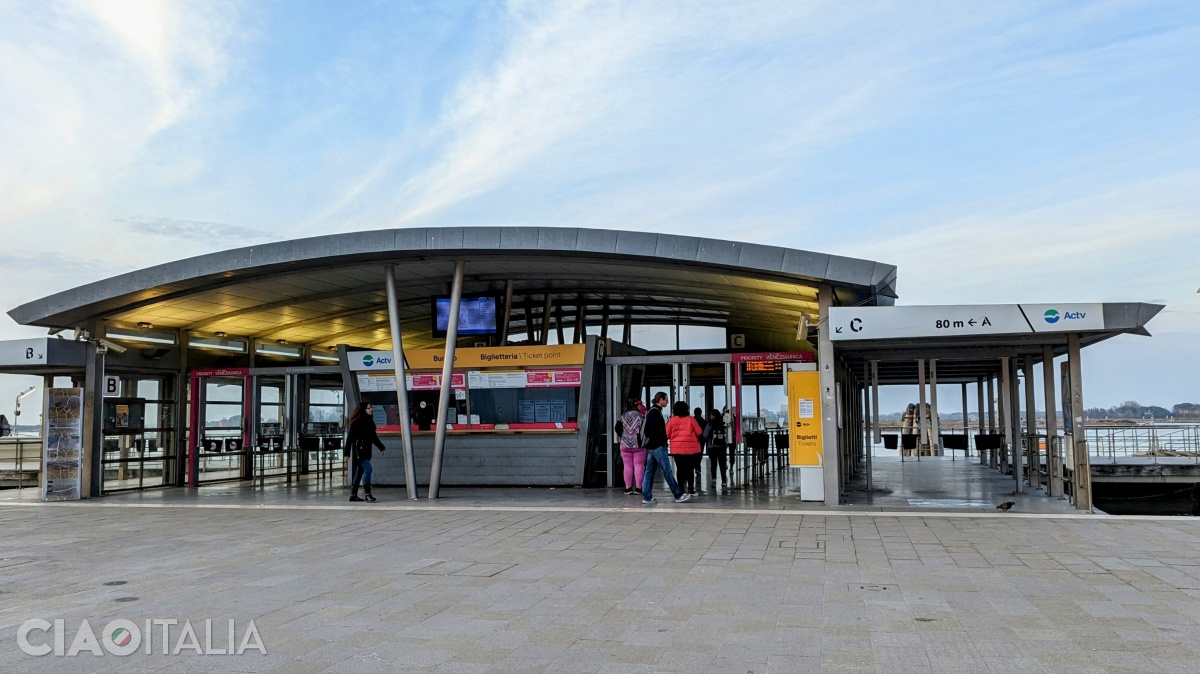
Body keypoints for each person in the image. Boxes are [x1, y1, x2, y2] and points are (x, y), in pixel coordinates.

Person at [642, 392, 689, 505]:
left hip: (652, 446)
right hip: (657, 446)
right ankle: (678, 494)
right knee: (667, 470)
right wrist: (661, 442)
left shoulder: (653, 411)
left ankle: (647, 497)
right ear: (660, 400)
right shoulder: (655, 412)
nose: (668, 402)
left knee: (649, 472)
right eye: (666, 400)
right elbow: (654, 430)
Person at [343, 402, 386, 502]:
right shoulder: (357, 423)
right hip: (359, 451)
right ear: (363, 410)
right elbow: (349, 438)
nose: (371, 409)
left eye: (371, 407)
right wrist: (347, 453)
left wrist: (381, 447)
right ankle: (368, 494)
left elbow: (373, 437)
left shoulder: (370, 422)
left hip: (367, 451)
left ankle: (353, 495)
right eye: (368, 408)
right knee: (368, 469)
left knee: (359, 472)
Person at [668, 401, 705, 496]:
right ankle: (691, 489)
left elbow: (666, 434)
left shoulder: (672, 420)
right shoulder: (691, 419)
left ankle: (681, 489)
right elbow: (699, 432)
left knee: (680, 469)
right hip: (690, 449)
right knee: (690, 469)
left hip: (677, 449)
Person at [617, 398, 648, 495]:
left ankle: (628, 488)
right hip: (638, 444)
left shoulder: (623, 416)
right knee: (639, 466)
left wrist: (624, 436)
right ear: (637, 405)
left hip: (625, 444)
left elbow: (617, 428)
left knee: (627, 466)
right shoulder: (642, 417)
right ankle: (638, 488)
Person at [705, 409, 730, 492]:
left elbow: (704, 435)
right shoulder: (723, 424)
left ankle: (714, 479)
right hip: (722, 447)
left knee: (713, 464)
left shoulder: (710, 424)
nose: (710, 416)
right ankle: (723, 481)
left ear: (714, 415)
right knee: (722, 464)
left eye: (711, 415)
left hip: (712, 447)